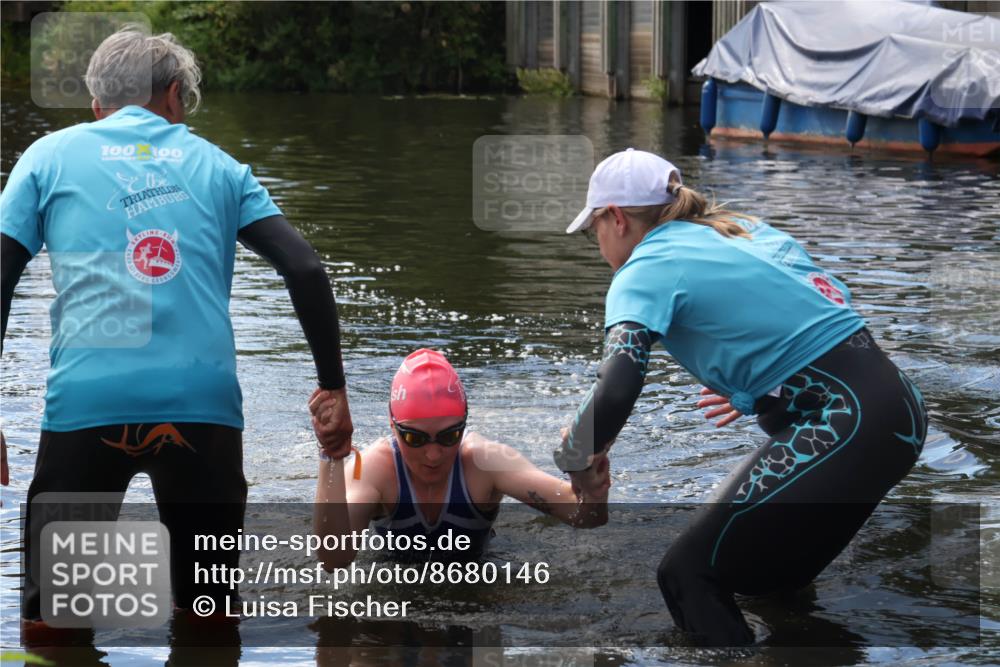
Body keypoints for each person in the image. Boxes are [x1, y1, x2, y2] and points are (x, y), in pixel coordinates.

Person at [0, 26, 354, 641]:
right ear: (171, 96)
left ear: (97, 105)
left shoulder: (48, 157)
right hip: (204, 411)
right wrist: (333, 388)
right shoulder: (219, 166)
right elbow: (304, 267)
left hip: (87, 407)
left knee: (54, 622)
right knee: (208, 616)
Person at [555, 148, 927, 646]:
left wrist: (576, 456)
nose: (597, 242)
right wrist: (762, 384)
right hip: (895, 407)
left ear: (616, 217)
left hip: (847, 420)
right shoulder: (739, 228)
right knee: (769, 586)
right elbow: (824, 308)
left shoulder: (642, 269)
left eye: (593, 229)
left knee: (686, 575)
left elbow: (618, 385)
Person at [312, 348, 608, 569]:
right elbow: (333, 558)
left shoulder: (485, 461)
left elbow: (585, 516)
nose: (433, 454)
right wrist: (331, 457)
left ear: (464, 426)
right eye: (414, 438)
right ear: (392, 426)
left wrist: (589, 485)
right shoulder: (376, 468)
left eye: (448, 436)